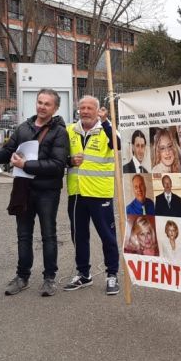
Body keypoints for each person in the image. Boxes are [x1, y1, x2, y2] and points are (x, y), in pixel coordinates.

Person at [0, 88, 69, 298]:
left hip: (47, 192)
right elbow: (6, 152)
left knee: (48, 235)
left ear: (55, 108)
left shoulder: (59, 132)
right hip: (23, 190)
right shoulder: (23, 128)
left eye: (47, 104)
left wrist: (26, 165)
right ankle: (22, 277)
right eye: (40, 102)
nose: (42, 107)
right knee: (23, 236)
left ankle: (49, 279)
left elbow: (57, 165)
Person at [65, 95, 121, 295]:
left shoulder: (106, 129)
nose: (86, 111)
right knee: (79, 236)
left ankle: (112, 275)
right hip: (77, 193)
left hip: (100, 194)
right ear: (78, 110)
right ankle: (83, 274)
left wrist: (106, 122)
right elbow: (59, 156)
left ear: (98, 111)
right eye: (82, 107)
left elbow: (119, 146)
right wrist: (69, 160)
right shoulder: (70, 130)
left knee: (107, 236)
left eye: (90, 108)